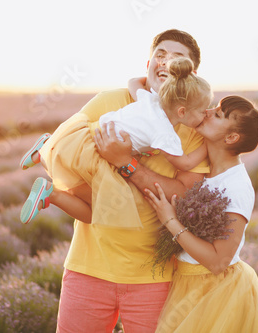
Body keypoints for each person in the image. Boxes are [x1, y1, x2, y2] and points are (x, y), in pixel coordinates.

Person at [29, 29, 209, 332]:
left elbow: (181, 195)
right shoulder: (111, 100)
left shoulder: (193, 127)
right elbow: (73, 152)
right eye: (160, 55)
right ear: (149, 63)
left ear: (189, 74)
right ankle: (44, 169)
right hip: (89, 268)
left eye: (177, 59)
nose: (165, 63)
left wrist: (125, 162)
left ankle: (47, 178)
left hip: (156, 277)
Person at [95, 95, 258, 332]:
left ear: (231, 137)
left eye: (219, 114)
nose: (208, 111)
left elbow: (218, 261)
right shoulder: (205, 171)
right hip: (185, 281)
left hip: (213, 293)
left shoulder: (236, 186)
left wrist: (170, 220)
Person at [19, 57, 212, 229]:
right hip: (96, 153)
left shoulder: (149, 100)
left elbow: (133, 82)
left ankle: (44, 149)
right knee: (97, 210)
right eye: (203, 111)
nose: (205, 115)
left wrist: (170, 78)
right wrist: (209, 143)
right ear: (182, 112)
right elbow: (185, 163)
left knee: (74, 182)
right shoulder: (165, 135)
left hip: (80, 137)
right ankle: (49, 191)